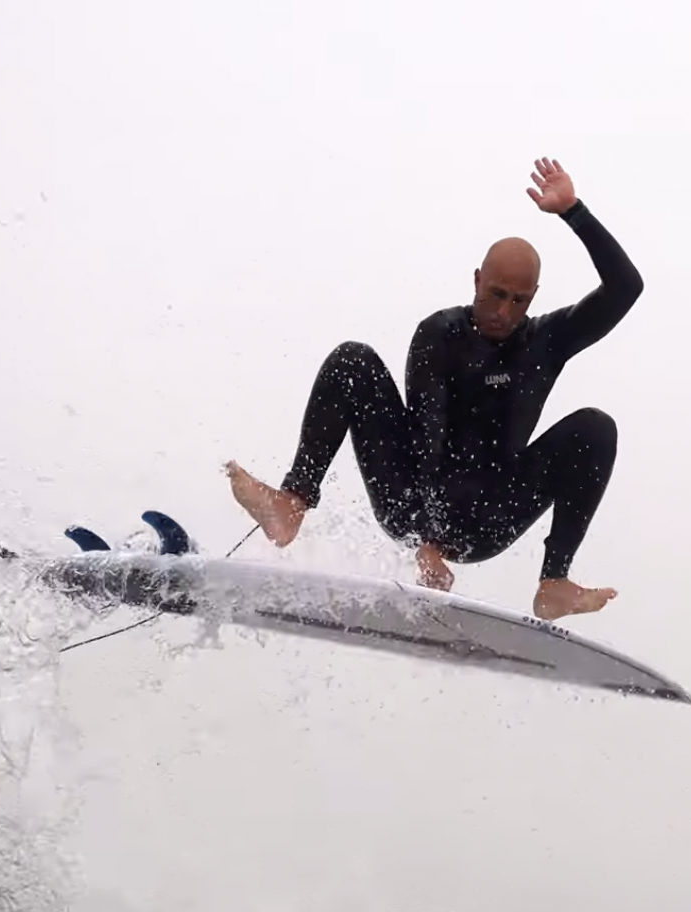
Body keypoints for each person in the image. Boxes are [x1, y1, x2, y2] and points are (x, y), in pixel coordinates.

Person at [224, 157, 645, 622]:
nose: (504, 312)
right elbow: (429, 443)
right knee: (353, 360)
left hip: (491, 516)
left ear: (534, 297)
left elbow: (626, 287)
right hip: (409, 501)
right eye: (496, 294)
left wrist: (574, 212)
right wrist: (428, 541)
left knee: (596, 428)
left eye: (518, 301)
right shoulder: (440, 336)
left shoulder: (546, 341)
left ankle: (554, 582)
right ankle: (291, 504)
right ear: (477, 280)